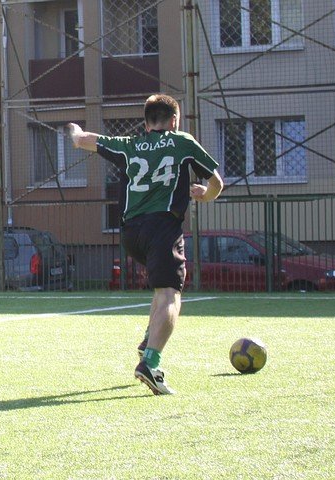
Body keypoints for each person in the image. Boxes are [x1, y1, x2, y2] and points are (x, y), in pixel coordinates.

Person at [67, 94, 224, 395]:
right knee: (170, 294)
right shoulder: (182, 142)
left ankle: (148, 339)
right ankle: (150, 363)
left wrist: (74, 130)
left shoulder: (129, 145)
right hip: (162, 228)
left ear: (146, 122)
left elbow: (82, 140)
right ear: (174, 121)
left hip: (131, 234)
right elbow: (216, 182)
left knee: (160, 290)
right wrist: (205, 195)